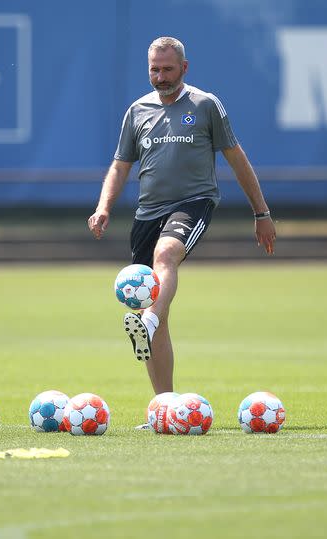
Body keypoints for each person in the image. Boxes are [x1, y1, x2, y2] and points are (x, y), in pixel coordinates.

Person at [87, 36, 276, 426]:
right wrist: (104, 206)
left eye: (168, 69)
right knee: (156, 311)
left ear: (184, 68)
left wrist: (262, 212)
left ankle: (149, 322)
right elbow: (121, 165)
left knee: (165, 257)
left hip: (193, 204)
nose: (160, 76)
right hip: (146, 214)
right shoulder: (137, 111)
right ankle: (165, 408)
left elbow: (237, 158)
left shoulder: (206, 105)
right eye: (154, 69)